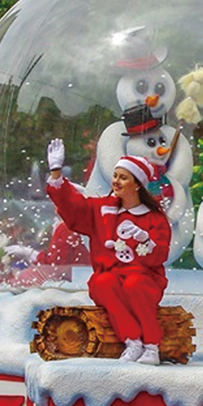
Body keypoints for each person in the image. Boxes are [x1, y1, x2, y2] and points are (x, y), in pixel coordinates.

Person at [45, 139, 171, 365]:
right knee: (101, 282)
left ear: (137, 185)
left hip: (145, 279)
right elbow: (74, 209)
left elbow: (159, 256)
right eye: (115, 176)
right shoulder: (100, 209)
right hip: (112, 275)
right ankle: (132, 340)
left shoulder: (154, 218)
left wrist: (144, 238)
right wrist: (56, 175)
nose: (116, 181)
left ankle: (152, 345)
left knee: (134, 284)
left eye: (123, 177)